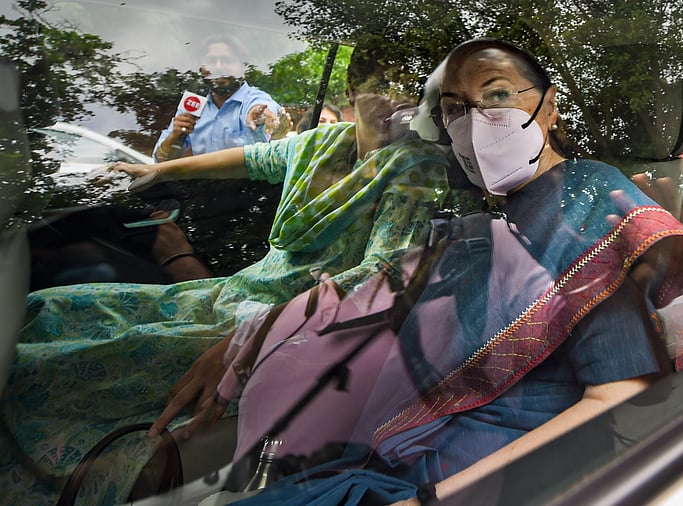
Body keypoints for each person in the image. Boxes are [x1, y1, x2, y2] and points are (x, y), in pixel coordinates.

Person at [194, 38, 683, 506]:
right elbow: (385, 296)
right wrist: (257, 336)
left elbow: (619, 395)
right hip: (391, 462)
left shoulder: (592, 210)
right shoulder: (484, 220)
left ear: (549, 106)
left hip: (478, 483)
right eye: (455, 109)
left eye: (497, 95)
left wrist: (427, 503)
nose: (477, 119)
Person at [0, 42, 452, 505]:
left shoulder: (415, 166)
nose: (397, 99)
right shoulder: (319, 145)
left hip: (289, 325)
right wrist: (160, 170)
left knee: (69, 358)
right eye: (383, 85)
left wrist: (251, 339)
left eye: (407, 88)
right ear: (353, 90)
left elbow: (383, 275)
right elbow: (248, 161)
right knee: (47, 307)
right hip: (234, 291)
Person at [153, 34, 290, 162]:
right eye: (211, 61)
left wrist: (261, 116)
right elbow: (159, 161)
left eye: (227, 60)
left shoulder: (255, 98)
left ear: (243, 69)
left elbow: (263, 109)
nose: (218, 67)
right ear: (202, 69)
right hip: (196, 187)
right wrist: (174, 135)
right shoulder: (194, 107)